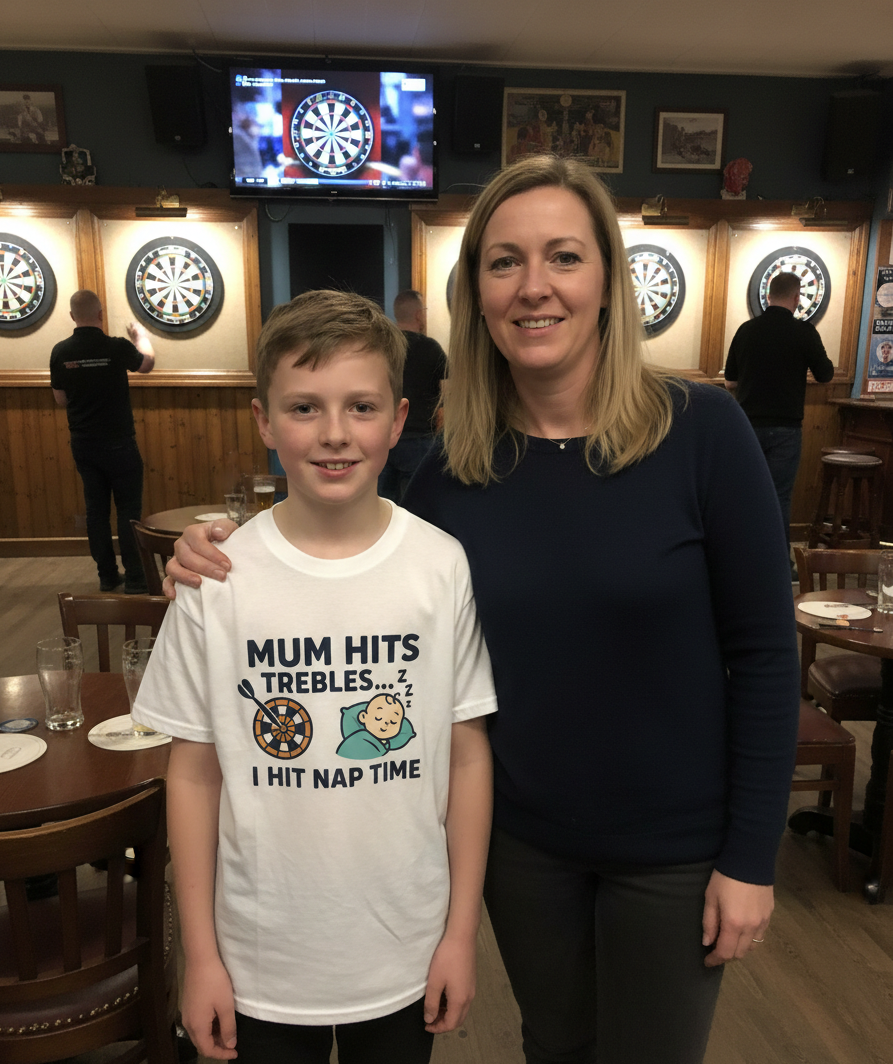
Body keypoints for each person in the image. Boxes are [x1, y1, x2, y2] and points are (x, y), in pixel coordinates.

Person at [164, 157, 800, 1064]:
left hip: (675, 850)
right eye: (504, 262)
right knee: (554, 1048)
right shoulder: (453, 472)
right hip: (522, 846)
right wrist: (216, 552)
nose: (533, 286)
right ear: (477, 294)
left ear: (607, 280)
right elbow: (346, 562)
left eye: (563, 257)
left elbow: (766, 656)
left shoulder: (701, 431)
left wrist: (750, 854)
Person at [133, 289, 496, 1064]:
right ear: (264, 420)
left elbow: (467, 755)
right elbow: (191, 774)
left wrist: (460, 934)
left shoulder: (439, 566)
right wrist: (200, 956)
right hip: (258, 954)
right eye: (303, 408)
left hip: (403, 944)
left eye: (361, 407)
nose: (334, 433)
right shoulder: (216, 579)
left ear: (398, 420)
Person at [50, 289, 155, 593]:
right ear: (100, 314)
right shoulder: (116, 346)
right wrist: (140, 336)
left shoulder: (60, 351)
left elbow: (60, 399)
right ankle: (136, 578)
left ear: (72, 316)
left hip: (83, 443)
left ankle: (107, 576)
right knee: (128, 510)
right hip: (119, 441)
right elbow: (146, 364)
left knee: (96, 512)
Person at [724, 271, 834, 555]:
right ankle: (777, 563)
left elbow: (730, 381)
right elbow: (825, 375)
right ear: (797, 298)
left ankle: (740, 558)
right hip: (786, 429)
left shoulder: (746, 330)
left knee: (745, 495)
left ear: (768, 295)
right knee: (779, 498)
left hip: (747, 426)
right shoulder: (804, 332)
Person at [377, 290, 446, 503]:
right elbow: (449, 394)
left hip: (384, 437)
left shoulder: (381, 349)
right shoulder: (431, 348)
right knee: (417, 506)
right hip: (420, 439)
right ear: (418, 314)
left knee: (380, 504)